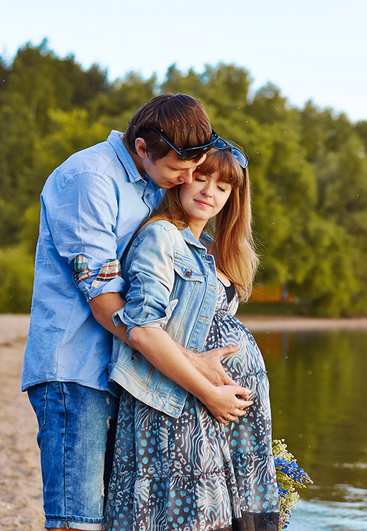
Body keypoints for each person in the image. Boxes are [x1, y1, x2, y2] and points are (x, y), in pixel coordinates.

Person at [21, 94, 252, 531]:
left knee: (117, 519)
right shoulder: (90, 179)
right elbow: (103, 300)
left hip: (126, 373)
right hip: (77, 371)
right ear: (142, 147)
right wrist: (191, 364)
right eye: (181, 170)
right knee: (77, 520)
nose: (189, 179)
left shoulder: (151, 179)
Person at [103, 145, 280, 530]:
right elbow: (143, 330)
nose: (209, 191)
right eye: (201, 177)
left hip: (210, 411)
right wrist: (209, 393)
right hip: (176, 403)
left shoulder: (211, 250)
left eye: (223, 186)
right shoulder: (161, 236)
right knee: (184, 516)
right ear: (182, 177)